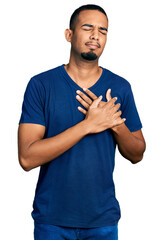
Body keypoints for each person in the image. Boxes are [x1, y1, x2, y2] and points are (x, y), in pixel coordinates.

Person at [18, 4, 146, 240]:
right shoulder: (41, 85)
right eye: (87, 28)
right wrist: (88, 125)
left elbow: (137, 153)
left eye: (103, 31)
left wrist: (114, 122)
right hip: (51, 221)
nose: (96, 35)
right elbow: (27, 158)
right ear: (69, 34)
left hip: (103, 222)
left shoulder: (120, 87)